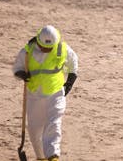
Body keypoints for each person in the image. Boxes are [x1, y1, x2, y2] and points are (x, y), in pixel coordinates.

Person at [12, 25, 79, 161]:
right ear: (38, 42)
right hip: (34, 95)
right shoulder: (27, 51)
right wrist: (21, 74)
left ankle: (53, 156)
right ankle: (41, 157)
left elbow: (73, 62)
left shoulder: (62, 48)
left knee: (53, 124)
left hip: (55, 94)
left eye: (49, 48)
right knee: (34, 131)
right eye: (44, 47)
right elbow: (17, 68)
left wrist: (70, 82)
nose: (46, 50)